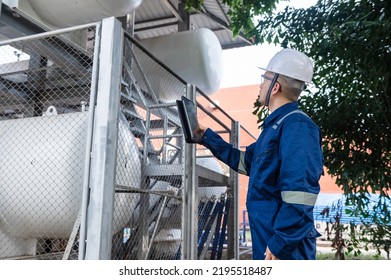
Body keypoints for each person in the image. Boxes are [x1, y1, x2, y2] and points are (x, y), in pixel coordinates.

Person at [195, 48, 324, 260]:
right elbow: (245, 162)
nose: (260, 84)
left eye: (264, 79)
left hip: (284, 246)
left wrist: (280, 242)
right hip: (269, 236)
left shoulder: (297, 125)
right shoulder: (274, 128)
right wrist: (206, 137)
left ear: (275, 86)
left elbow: (300, 193)